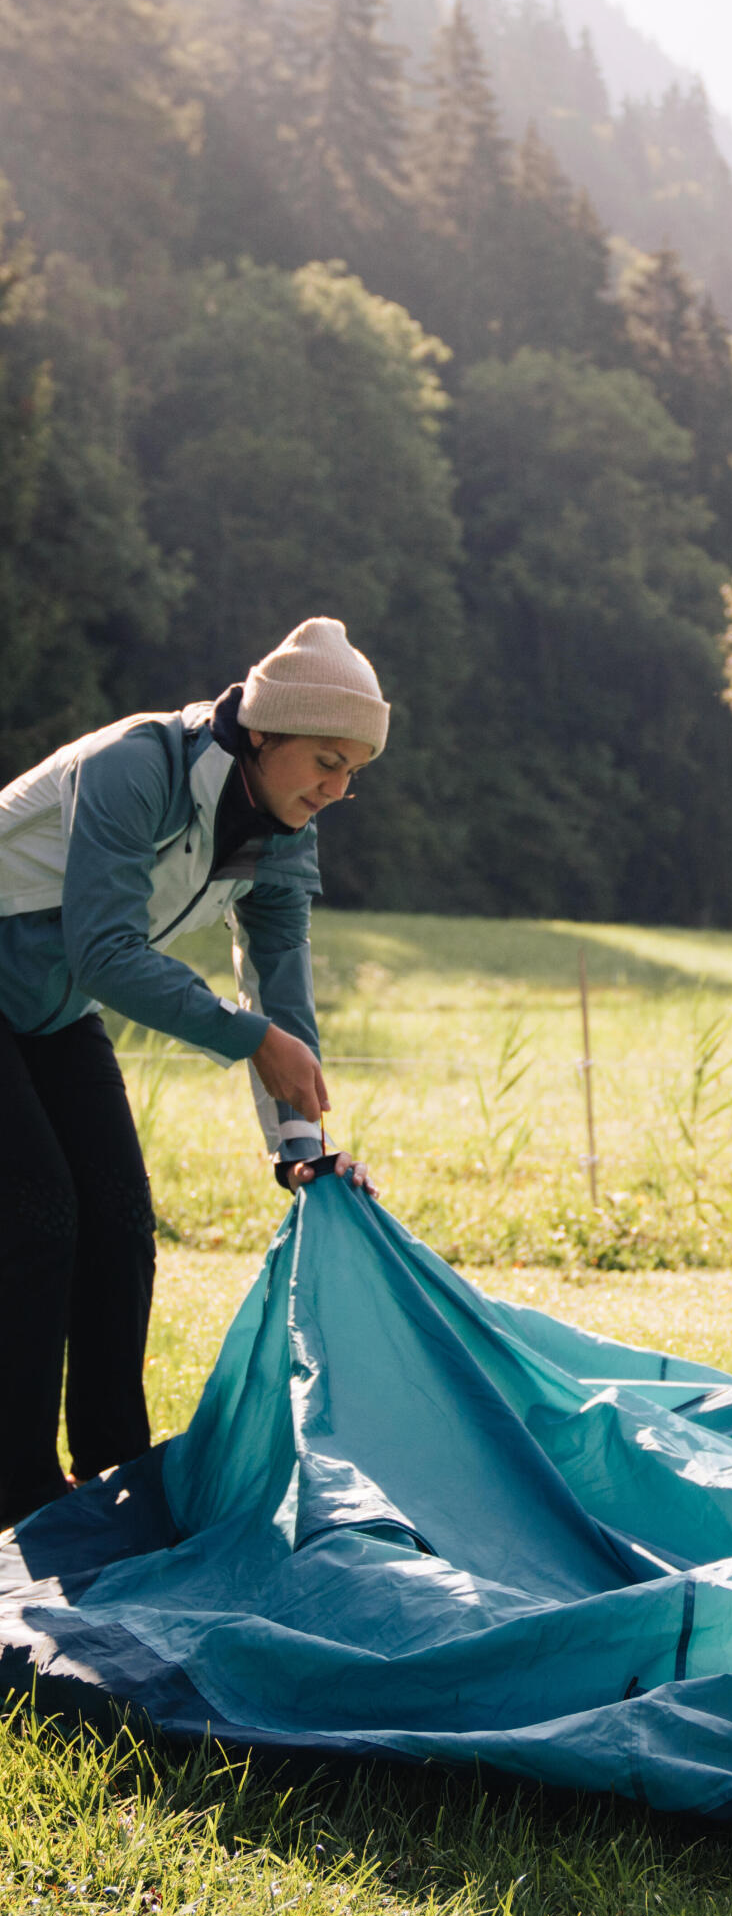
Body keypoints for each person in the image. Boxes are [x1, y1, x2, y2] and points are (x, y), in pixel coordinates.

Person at [0, 617, 386, 1531]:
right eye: (325, 760)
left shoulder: (285, 833)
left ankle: (112, 1473)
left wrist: (301, 1150)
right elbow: (103, 951)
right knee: (39, 1216)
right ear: (262, 731)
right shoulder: (137, 767)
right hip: (46, 983)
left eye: (352, 773)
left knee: (123, 1219)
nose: (337, 789)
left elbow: (280, 991)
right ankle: (15, 1490)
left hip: (49, 1011)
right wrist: (249, 1039)